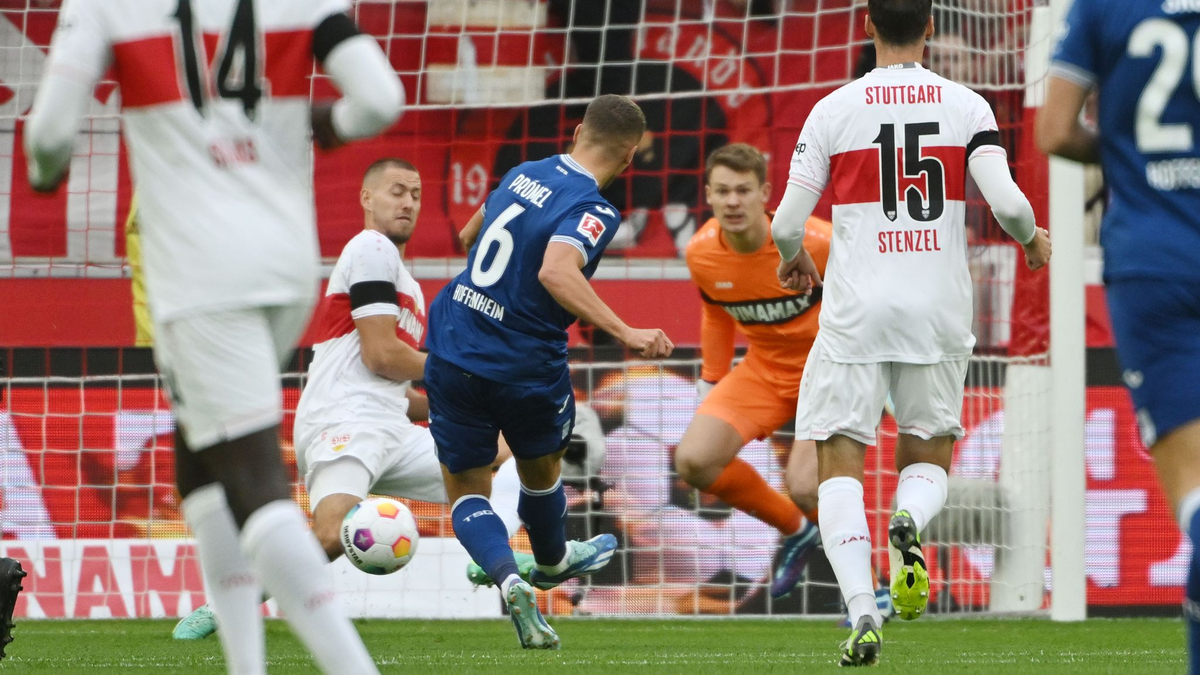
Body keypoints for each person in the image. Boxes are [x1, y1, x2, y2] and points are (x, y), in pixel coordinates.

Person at [24, 1, 404, 673]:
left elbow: (51, 132)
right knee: (199, 466)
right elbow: (379, 98)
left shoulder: (107, 5)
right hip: (286, 263)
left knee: (254, 475)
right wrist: (325, 124)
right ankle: (244, 664)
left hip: (201, 271)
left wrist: (46, 171)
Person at [771, 0, 1051, 665]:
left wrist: (795, 256)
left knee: (838, 466)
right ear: (930, 27)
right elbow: (1007, 202)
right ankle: (909, 521)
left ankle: (863, 610)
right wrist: (1033, 239)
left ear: (867, 25)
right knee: (926, 456)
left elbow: (786, 223)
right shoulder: (967, 105)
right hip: (938, 309)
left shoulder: (833, 110)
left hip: (855, 314)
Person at [168, 159, 536, 640]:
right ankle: (224, 605)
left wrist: (470, 407)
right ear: (366, 199)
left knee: (508, 454)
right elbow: (382, 355)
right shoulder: (369, 248)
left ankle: (495, 558)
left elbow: (395, 392)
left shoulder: (410, 288)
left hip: (389, 426)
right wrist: (467, 374)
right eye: (396, 191)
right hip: (343, 418)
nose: (408, 202)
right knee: (331, 535)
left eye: (416, 194)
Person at [425, 94, 672, 649]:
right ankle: (555, 559)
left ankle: (512, 579)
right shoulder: (594, 207)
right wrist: (628, 333)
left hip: (453, 341)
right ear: (630, 158)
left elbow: (469, 239)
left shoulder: (522, 172)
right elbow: (557, 270)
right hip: (522, 362)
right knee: (543, 474)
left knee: (467, 491)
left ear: (579, 128)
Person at [1038, 3, 1200, 673]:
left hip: (1151, 262)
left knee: (1193, 498)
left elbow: (1052, 130)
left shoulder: (1103, 7)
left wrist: (1128, 155)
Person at [676, 143, 830, 599]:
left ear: (767, 194)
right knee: (694, 461)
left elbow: (869, 301)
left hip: (826, 369)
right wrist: (710, 383)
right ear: (707, 195)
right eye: (722, 191)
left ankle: (874, 587)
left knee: (805, 484)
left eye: (743, 190)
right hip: (763, 368)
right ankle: (798, 532)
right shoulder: (701, 253)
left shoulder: (818, 242)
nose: (733, 201)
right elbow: (717, 315)